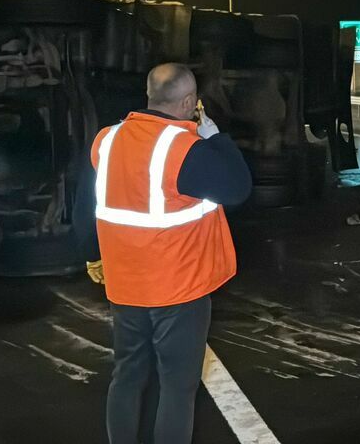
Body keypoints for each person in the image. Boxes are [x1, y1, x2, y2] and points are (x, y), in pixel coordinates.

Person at [77, 63, 252, 444]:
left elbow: (84, 202)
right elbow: (238, 188)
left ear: (150, 95)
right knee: (177, 386)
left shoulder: (106, 139)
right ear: (189, 102)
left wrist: (92, 254)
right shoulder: (185, 149)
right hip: (179, 290)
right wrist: (216, 138)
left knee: (127, 375)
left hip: (124, 285)